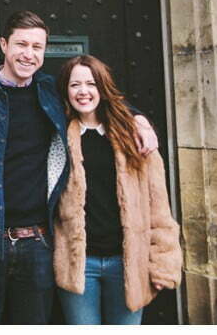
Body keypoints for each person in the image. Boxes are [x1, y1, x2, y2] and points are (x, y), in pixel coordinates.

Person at [0, 11, 159, 324]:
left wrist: (139, 120)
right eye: (21, 44)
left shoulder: (50, 91)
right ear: (4, 44)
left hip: (37, 242)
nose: (29, 54)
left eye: (37, 47)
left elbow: (96, 101)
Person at [53, 54, 182, 325]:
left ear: (103, 87)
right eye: (75, 85)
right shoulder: (59, 136)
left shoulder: (133, 136)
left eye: (91, 84)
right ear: (66, 90)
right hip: (80, 264)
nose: (83, 92)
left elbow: (158, 206)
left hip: (127, 263)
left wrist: (162, 263)